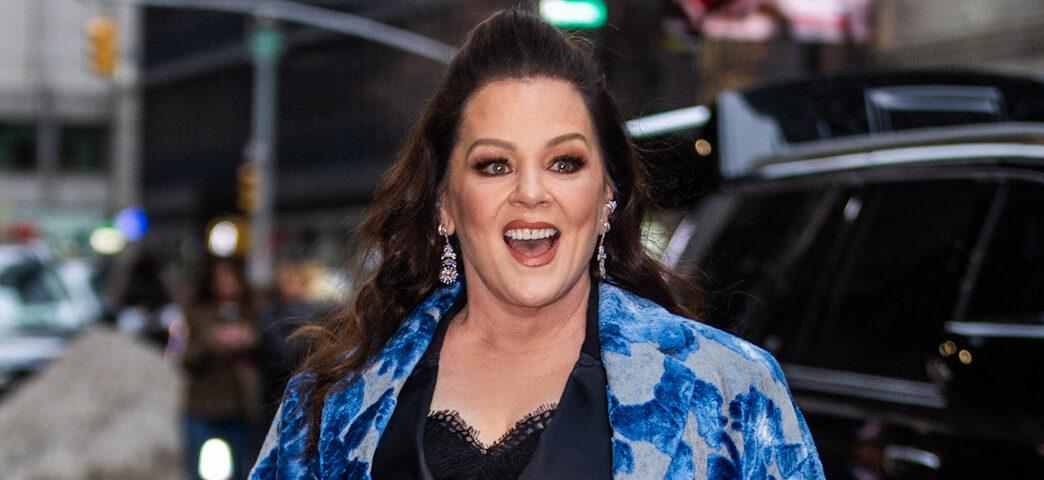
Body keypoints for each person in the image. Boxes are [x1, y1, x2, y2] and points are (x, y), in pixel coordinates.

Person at [252, 9, 823, 480]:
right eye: (495, 165)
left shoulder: (731, 396)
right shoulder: (330, 407)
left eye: (564, 163)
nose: (531, 194)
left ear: (607, 195)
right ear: (445, 203)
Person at [183, 257, 261, 480]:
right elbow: (184, 358)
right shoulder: (196, 314)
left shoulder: (251, 313)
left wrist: (249, 340)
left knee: (238, 470)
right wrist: (212, 340)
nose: (227, 284)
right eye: (221, 279)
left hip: (239, 406)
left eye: (231, 277)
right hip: (202, 406)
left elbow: (271, 353)